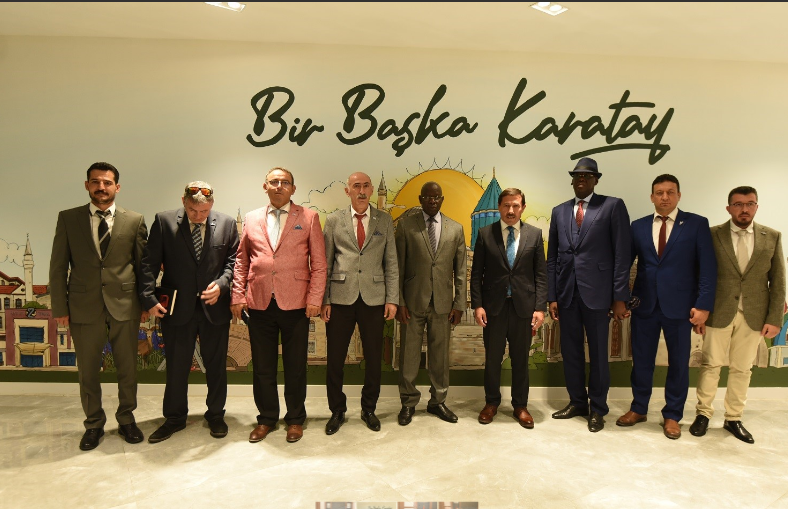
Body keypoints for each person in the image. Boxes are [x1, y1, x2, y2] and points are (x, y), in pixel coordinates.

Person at [49, 162, 148, 451]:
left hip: (125, 305)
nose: (101, 187)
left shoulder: (135, 220)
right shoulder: (68, 219)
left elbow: (143, 266)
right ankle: (93, 423)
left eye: (107, 182)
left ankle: (127, 419)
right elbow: (58, 266)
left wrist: (145, 303)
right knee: (88, 370)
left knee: (127, 368)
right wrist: (60, 307)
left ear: (117, 186)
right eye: (95, 182)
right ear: (87, 185)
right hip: (83, 306)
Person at [615, 174, 716, 439]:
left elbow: (707, 269)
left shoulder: (696, 224)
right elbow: (623, 265)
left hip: (681, 308)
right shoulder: (638, 226)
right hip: (644, 306)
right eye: (659, 192)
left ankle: (672, 415)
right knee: (642, 362)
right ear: (652, 197)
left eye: (670, 192)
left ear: (679, 195)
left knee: (679, 364)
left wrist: (703, 306)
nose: (665, 197)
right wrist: (620, 298)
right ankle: (639, 408)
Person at [231, 167, 327, 443]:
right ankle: (266, 418)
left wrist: (314, 299)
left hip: (296, 303)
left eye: (285, 182)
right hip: (259, 302)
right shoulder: (251, 218)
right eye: (274, 182)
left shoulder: (308, 217)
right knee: (263, 367)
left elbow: (319, 264)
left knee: (295, 367)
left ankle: (295, 419)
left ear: (293, 189)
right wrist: (237, 295)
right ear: (265, 187)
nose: (279, 186)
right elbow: (242, 261)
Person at [139, 181, 239, 443]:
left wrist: (222, 284)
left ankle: (215, 415)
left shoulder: (227, 224)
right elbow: (149, 263)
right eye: (193, 210)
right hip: (175, 308)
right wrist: (148, 298)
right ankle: (174, 418)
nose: (198, 216)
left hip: (214, 308)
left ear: (212, 205)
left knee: (216, 366)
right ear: (183, 201)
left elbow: (232, 262)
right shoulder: (164, 222)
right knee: (176, 366)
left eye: (204, 211)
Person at [689, 186, 785, 444]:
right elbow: (699, 275)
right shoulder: (712, 235)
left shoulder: (772, 236)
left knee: (742, 368)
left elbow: (778, 281)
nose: (745, 209)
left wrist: (774, 318)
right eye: (739, 204)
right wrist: (700, 310)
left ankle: (733, 417)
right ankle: (703, 414)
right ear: (729, 208)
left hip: (754, 314)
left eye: (750, 203)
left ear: (756, 206)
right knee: (710, 365)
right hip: (718, 310)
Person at [547, 157, 631, 432]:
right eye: (577, 176)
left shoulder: (612, 206)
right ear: (572, 180)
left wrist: (619, 297)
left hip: (598, 294)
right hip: (567, 294)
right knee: (570, 352)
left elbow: (622, 255)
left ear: (596, 180)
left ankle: (598, 408)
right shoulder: (559, 211)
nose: (581, 179)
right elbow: (552, 258)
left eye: (587, 176)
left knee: (598, 354)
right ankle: (577, 402)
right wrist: (552, 296)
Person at [322, 172, 398, 434]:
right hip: (340, 298)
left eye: (366, 186)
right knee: (335, 359)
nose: (362, 191)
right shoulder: (334, 220)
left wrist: (392, 299)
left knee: (374, 359)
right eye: (357, 186)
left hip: (374, 298)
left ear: (371, 190)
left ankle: (369, 409)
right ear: (348, 191)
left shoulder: (384, 220)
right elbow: (325, 262)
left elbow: (391, 262)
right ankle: (337, 410)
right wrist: (325, 299)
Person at [470, 188, 547, 428]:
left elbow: (541, 275)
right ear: (499, 207)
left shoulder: (535, 235)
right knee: (493, 359)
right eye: (506, 205)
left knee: (520, 360)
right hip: (493, 309)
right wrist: (478, 305)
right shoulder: (485, 234)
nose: (510, 210)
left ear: (523, 207)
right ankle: (491, 403)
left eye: (515, 205)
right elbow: (476, 274)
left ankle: (520, 406)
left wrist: (540, 308)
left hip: (524, 309)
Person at [395, 181, 467, 425]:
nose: (432, 201)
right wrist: (399, 302)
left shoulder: (456, 229)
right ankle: (408, 403)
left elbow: (461, 271)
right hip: (412, 303)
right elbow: (398, 267)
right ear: (420, 199)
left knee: (440, 356)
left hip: (443, 304)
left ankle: (438, 402)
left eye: (436, 197)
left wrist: (459, 304)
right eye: (427, 197)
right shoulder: (406, 226)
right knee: (409, 355)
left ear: (442, 199)